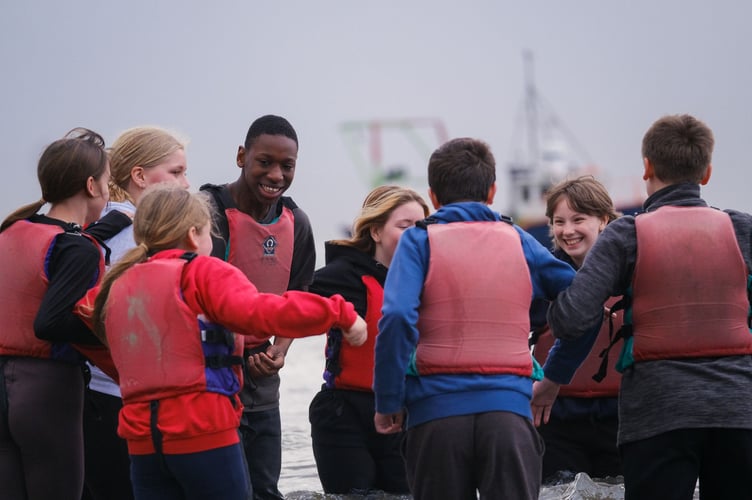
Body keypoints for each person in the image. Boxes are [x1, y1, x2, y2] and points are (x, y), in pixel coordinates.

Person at [89, 185, 367, 500]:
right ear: (194, 235)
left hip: (142, 439)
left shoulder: (119, 284)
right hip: (201, 431)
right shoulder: (202, 272)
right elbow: (261, 312)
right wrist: (341, 313)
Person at [535, 114, 752, 500]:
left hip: (657, 416)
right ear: (706, 173)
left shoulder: (627, 234)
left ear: (647, 167)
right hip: (738, 410)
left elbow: (571, 321)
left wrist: (551, 287)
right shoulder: (741, 229)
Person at [372, 137, 577, 500]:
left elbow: (397, 318)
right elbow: (584, 302)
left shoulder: (417, 242)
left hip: (436, 418)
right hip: (509, 417)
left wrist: (388, 399)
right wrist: (555, 376)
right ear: (493, 191)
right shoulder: (521, 241)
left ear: (433, 197)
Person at [0, 128, 128, 499]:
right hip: (46, 392)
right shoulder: (77, 248)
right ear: (92, 185)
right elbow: (50, 322)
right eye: (107, 181)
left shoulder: (10, 231)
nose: (108, 190)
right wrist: (115, 334)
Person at [200, 114, 314, 499]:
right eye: (265, 162)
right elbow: (191, 293)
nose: (276, 175)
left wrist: (279, 350)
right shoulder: (208, 213)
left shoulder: (296, 222)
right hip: (212, 378)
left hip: (264, 381)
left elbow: (298, 297)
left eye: (288, 165)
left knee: (265, 489)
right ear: (241, 156)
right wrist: (232, 355)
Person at [82, 126, 190, 500]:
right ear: (139, 176)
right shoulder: (135, 235)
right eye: (176, 172)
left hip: (91, 390)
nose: (187, 184)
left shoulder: (96, 224)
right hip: (121, 393)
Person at [308, 185, 429, 495]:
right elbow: (292, 308)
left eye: (421, 228)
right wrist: (276, 350)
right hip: (343, 413)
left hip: (403, 412)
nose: (416, 235)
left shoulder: (429, 281)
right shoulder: (338, 276)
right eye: (405, 226)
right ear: (376, 232)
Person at [529, 176, 622, 484]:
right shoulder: (541, 278)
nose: (567, 231)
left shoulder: (633, 273)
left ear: (604, 220)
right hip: (555, 417)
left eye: (578, 219)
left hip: (621, 416)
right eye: (559, 222)